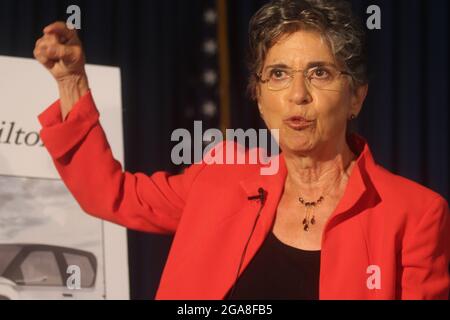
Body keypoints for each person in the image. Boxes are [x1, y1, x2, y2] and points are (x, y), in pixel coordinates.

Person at [34, 0, 449, 300]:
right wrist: (71, 84)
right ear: (259, 95)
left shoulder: (414, 214)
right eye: (279, 74)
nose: (297, 95)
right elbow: (111, 195)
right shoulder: (222, 175)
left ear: (356, 96)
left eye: (319, 73)